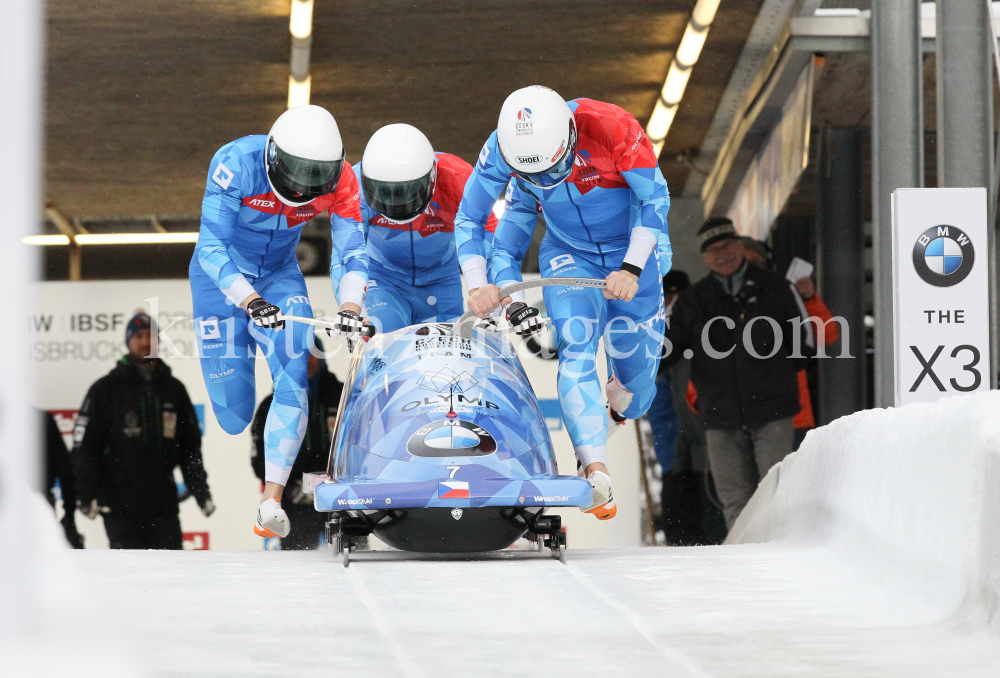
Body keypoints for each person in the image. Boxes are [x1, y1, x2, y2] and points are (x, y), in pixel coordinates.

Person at [456, 85, 671, 520]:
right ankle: (596, 472)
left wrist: (631, 267)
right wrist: (480, 284)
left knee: (637, 393)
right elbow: (472, 219)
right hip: (568, 253)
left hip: (635, 249)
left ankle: (612, 409)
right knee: (577, 348)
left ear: (570, 139)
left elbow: (655, 197)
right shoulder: (500, 148)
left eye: (550, 169)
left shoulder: (611, 126)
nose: (542, 181)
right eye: (529, 176)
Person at [189, 105, 365, 539]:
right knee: (234, 413)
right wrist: (249, 300)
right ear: (272, 157)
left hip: (279, 276)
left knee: (294, 379)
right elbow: (211, 248)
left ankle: (270, 501)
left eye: (315, 176)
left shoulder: (344, 179)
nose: (305, 185)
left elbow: (351, 252)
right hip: (221, 281)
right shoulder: (234, 163)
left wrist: (350, 306)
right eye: (296, 172)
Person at [661, 218, 809, 530]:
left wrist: (772, 380)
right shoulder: (693, 300)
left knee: (777, 495)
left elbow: (804, 345)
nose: (722, 253)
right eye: (713, 250)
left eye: (727, 245)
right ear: (704, 258)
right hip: (719, 416)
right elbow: (666, 350)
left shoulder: (777, 289)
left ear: (740, 245)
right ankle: (746, 571)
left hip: (772, 414)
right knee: (734, 501)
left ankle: (780, 559)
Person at [333, 124, 497, 333]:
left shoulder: (458, 177)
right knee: (381, 340)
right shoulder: (352, 184)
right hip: (383, 281)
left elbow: (489, 230)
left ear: (431, 178)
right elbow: (345, 254)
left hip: (441, 282)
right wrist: (351, 309)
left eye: (408, 192)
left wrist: (485, 292)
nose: (396, 203)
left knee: (447, 357)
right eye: (385, 193)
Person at [72, 313, 214, 549]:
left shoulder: (174, 389)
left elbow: (190, 447)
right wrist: (86, 494)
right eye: (139, 336)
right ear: (128, 341)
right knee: (129, 579)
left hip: (164, 506)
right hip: (119, 507)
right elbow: (85, 446)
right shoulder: (105, 389)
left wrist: (201, 492)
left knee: (171, 577)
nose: (146, 341)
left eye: (151, 335)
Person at [741, 240, 840, 449]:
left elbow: (827, 335)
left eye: (756, 263)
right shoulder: (716, 302)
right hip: (738, 421)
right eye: (745, 263)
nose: (751, 271)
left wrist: (810, 299)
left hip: (791, 416)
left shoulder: (784, 294)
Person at [250, 337, 342, 549]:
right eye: (298, 354)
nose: (306, 360)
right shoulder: (271, 405)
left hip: (341, 502)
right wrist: (292, 489)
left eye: (311, 353)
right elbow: (259, 459)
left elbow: (359, 448)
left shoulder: (341, 396)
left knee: (353, 563)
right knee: (299, 569)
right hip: (296, 506)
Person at [40, 409, 84, 548]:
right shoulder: (41, 418)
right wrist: (70, 516)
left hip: (39, 502)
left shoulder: (41, 419)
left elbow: (65, 468)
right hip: (39, 502)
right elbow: (65, 469)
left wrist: (70, 516)